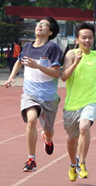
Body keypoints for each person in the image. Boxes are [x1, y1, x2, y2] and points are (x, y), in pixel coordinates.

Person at [4, 17, 62, 172]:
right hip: (30, 94)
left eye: (44, 25)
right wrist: (11, 78)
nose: (39, 26)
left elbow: (56, 73)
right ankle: (32, 159)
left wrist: (37, 66)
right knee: (31, 121)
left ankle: (48, 138)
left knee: (48, 130)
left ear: (50, 32)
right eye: (38, 24)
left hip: (48, 96)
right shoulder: (28, 47)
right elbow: (19, 61)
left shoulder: (53, 48)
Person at [62, 23, 96, 182]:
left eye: (90, 37)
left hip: (91, 101)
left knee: (84, 127)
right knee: (72, 139)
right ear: (77, 39)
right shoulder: (71, 54)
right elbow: (64, 77)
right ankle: (73, 164)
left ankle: (83, 163)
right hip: (72, 105)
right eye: (84, 37)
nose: (87, 40)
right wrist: (76, 63)